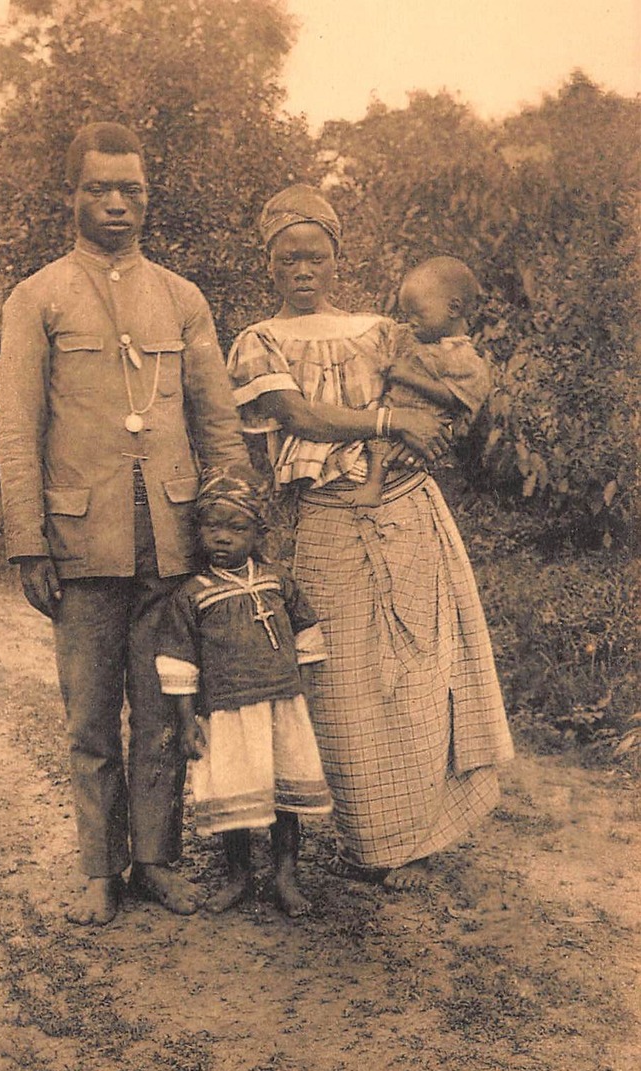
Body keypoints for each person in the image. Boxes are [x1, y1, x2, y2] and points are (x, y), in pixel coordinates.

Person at [0, 122, 252, 925]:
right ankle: (98, 872)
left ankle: (156, 861)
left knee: (166, 711)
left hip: (174, 542)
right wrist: (28, 541)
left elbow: (217, 426)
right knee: (89, 718)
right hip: (79, 545)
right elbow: (17, 427)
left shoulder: (181, 298)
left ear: (148, 194)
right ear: (70, 195)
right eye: (99, 189)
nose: (116, 204)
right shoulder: (37, 297)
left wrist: (233, 522)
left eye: (131, 189)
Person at [227, 184, 514, 893]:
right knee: (344, 682)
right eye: (288, 257)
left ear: (336, 258)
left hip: (409, 512)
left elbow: (444, 391)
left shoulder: (379, 329)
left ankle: (414, 838)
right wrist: (388, 427)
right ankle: (370, 838)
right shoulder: (256, 342)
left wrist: (435, 427)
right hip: (326, 517)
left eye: (315, 256)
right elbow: (298, 414)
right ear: (269, 263)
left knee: (418, 672)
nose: (302, 270)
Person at [155, 469, 332, 917]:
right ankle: (238, 877)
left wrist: (303, 698)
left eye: (237, 528)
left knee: (283, 797)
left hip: (281, 708)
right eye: (213, 526)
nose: (223, 537)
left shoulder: (277, 581)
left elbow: (308, 636)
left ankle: (285, 877)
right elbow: (179, 663)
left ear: (257, 533)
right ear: (198, 531)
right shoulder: (192, 595)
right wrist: (186, 723)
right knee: (237, 797)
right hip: (227, 714)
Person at [351, 256, 491, 507]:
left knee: (421, 473)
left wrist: (407, 377)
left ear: (454, 309)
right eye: (407, 314)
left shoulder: (464, 359)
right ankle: (373, 488)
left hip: (429, 426)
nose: (411, 321)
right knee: (379, 445)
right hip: (394, 418)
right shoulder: (411, 337)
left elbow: (456, 398)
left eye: (419, 314)